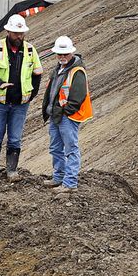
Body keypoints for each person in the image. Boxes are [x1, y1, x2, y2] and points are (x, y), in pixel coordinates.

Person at [0, 14, 43, 182]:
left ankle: (11, 171)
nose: (19, 36)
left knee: (15, 138)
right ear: (8, 31)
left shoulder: (30, 50)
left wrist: (32, 94)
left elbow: (37, 74)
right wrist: (0, 84)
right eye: (16, 33)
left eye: (21, 33)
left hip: (20, 104)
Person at [41, 35, 93, 194]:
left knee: (70, 149)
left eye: (65, 54)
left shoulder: (77, 71)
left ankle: (70, 183)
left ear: (71, 53)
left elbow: (78, 96)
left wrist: (65, 111)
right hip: (56, 116)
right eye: (60, 54)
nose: (62, 57)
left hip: (68, 117)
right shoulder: (57, 69)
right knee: (56, 148)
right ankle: (59, 177)